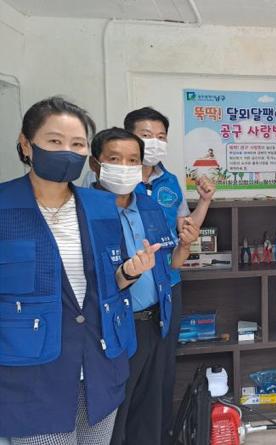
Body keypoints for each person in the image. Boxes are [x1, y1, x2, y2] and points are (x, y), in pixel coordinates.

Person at [0, 97, 158, 445]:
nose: (67, 152)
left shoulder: (101, 205)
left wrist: (130, 273)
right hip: (32, 375)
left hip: (100, 365)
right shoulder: (4, 205)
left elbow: (109, 284)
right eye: (55, 141)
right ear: (26, 144)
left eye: (77, 144)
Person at [87, 127, 199, 445]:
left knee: (149, 407)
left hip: (154, 321)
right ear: (95, 164)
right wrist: (126, 274)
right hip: (111, 328)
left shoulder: (149, 207)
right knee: (114, 412)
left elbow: (170, 264)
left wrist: (185, 245)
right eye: (114, 159)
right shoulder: (84, 209)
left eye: (132, 160)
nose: (125, 167)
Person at [123, 107, 215, 442]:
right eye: (146, 135)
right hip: (127, 288)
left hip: (167, 285)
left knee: (161, 371)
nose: (154, 142)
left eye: (161, 136)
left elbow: (185, 230)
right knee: (127, 375)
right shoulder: (109, 182)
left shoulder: (170, 182)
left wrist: (204, 202)